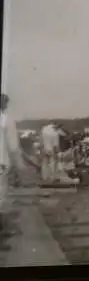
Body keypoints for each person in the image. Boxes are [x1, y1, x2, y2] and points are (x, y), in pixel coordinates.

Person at [0, 94, 25, 224]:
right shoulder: (7, 120)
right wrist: (17, 167)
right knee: (2, 190)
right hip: (2, 161)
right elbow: (13, 146)